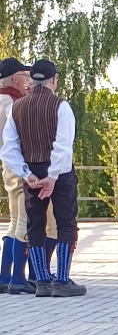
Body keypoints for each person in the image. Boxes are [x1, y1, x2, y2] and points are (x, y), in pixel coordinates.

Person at [0, 58, 85, 296]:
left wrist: (27, 173)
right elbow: (63, 145)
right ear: (54, 80)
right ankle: (62, 280)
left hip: (31, 171)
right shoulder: (60, 106)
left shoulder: (17, 106)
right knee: (65, 223)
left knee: (33, 225)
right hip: (58, 173)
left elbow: (9, 148)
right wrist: (53, 176)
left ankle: (43, 281)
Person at [0, 56, 34, 294]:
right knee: (23, 220)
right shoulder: (12, 103)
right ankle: (18, 278)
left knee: (14, 220)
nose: (28, 80)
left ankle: (5, 275)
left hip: (7, 164)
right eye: (25, 75)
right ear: (15, 78)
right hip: (19, 162)